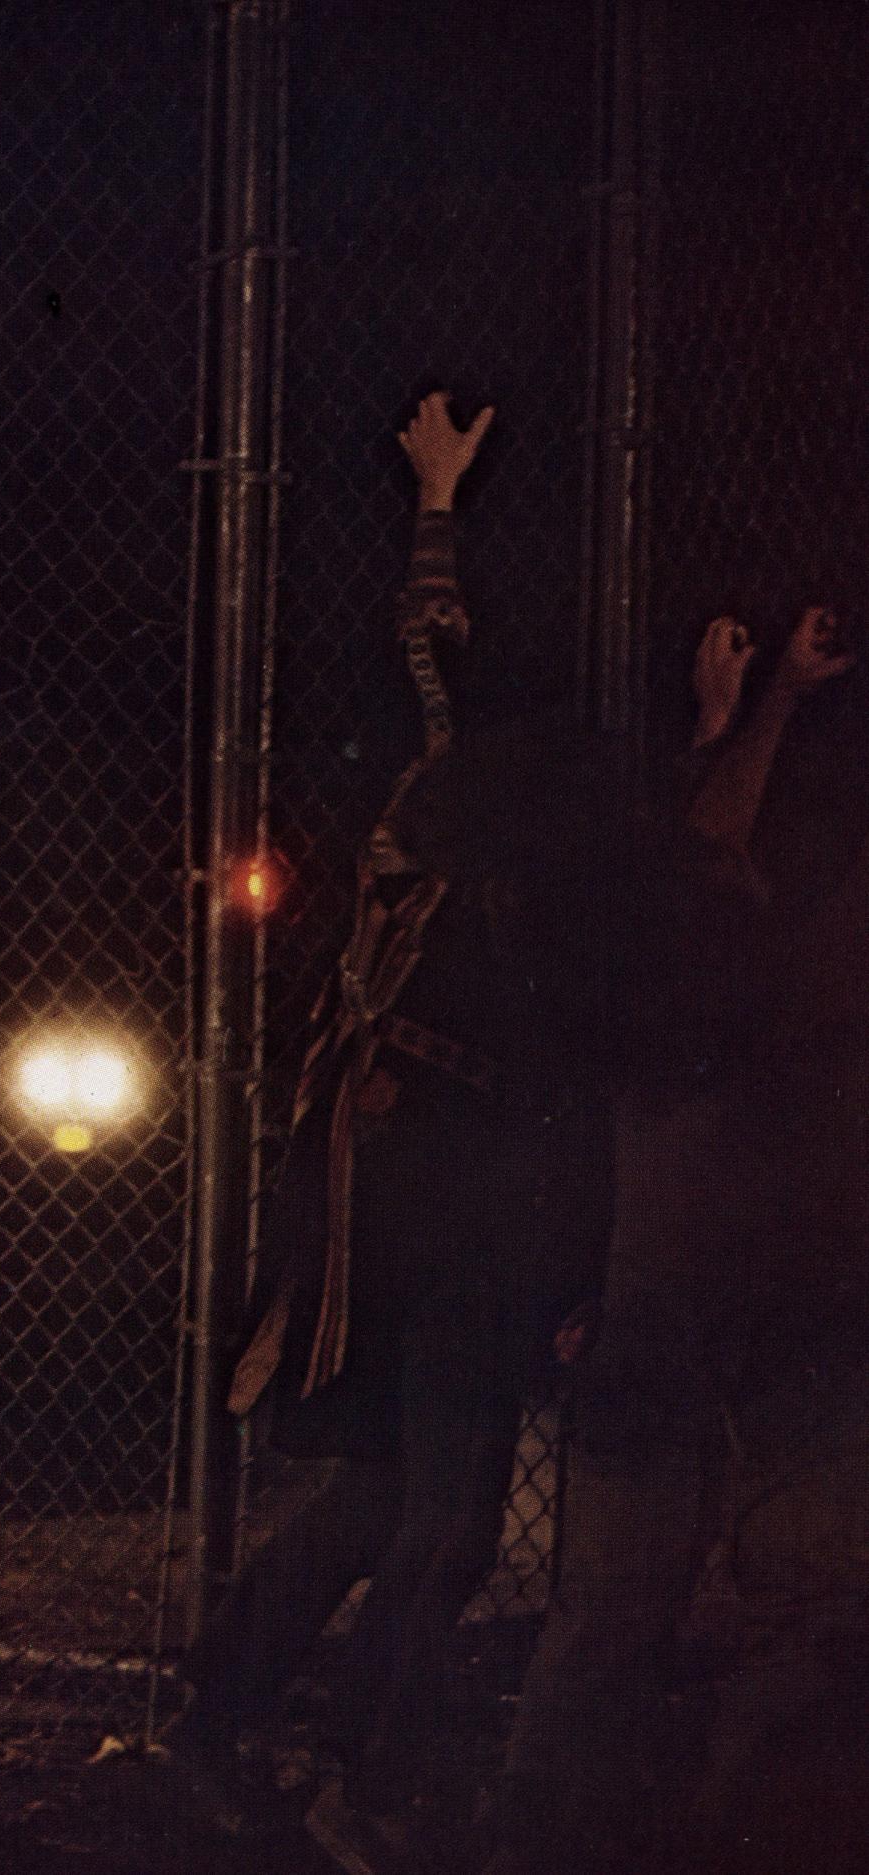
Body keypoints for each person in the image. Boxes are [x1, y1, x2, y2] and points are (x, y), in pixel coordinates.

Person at [171, 392, 612, 1861]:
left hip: (430, 1157)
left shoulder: (526, 820)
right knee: (436, 1506)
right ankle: (366, 1750)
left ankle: (244, 1710)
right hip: (411, 1161)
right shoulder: (462, 792)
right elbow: (437, 655)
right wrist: (437, 495)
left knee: (390, 1497)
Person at [487, 602, 865, 1875]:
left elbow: (705, 863)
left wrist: (757, 714)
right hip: (700, 1327)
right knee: (641, 1624)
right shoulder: (678, 984)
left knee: (784, 1618)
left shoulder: (752, 984)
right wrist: (751, 718)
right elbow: (697, 866)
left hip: (770, 1325)